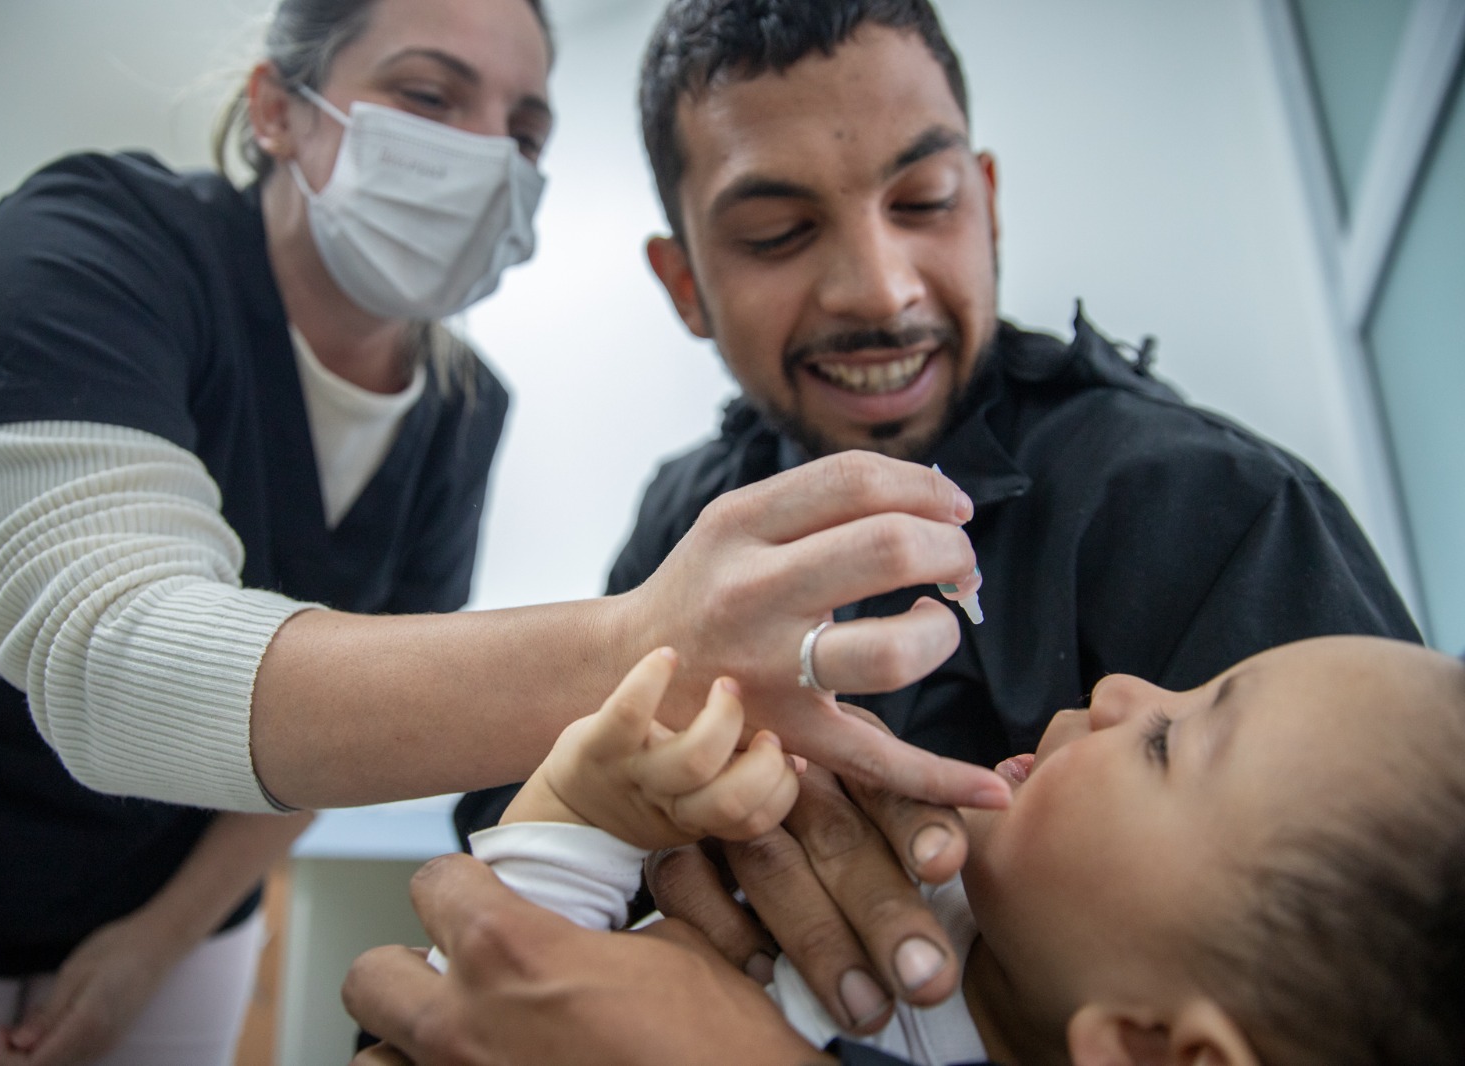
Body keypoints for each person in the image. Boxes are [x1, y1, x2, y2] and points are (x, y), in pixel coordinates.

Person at [0, 0, 1015, 1061]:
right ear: (277, 109)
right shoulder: (98, 245)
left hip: (180, 904)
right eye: (429, 96)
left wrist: (162, 937)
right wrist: (641, 652)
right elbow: (103, 648)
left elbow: (358, 721)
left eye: (524, 128)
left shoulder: (463, 412)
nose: (485, 156)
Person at [456, 0, 1423, 1032]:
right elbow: (511, 869)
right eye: (777, 233)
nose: (880, 289)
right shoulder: (683, 521)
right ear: (685, 282)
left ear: (988, 204)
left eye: (923, 200)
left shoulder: (1216, 510)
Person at [353, 633, 1465, 1065]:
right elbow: (491, 987)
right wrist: (589, 806)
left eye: (1170, 744)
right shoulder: (954, 901)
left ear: (1156, 1051)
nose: (1122, 688)